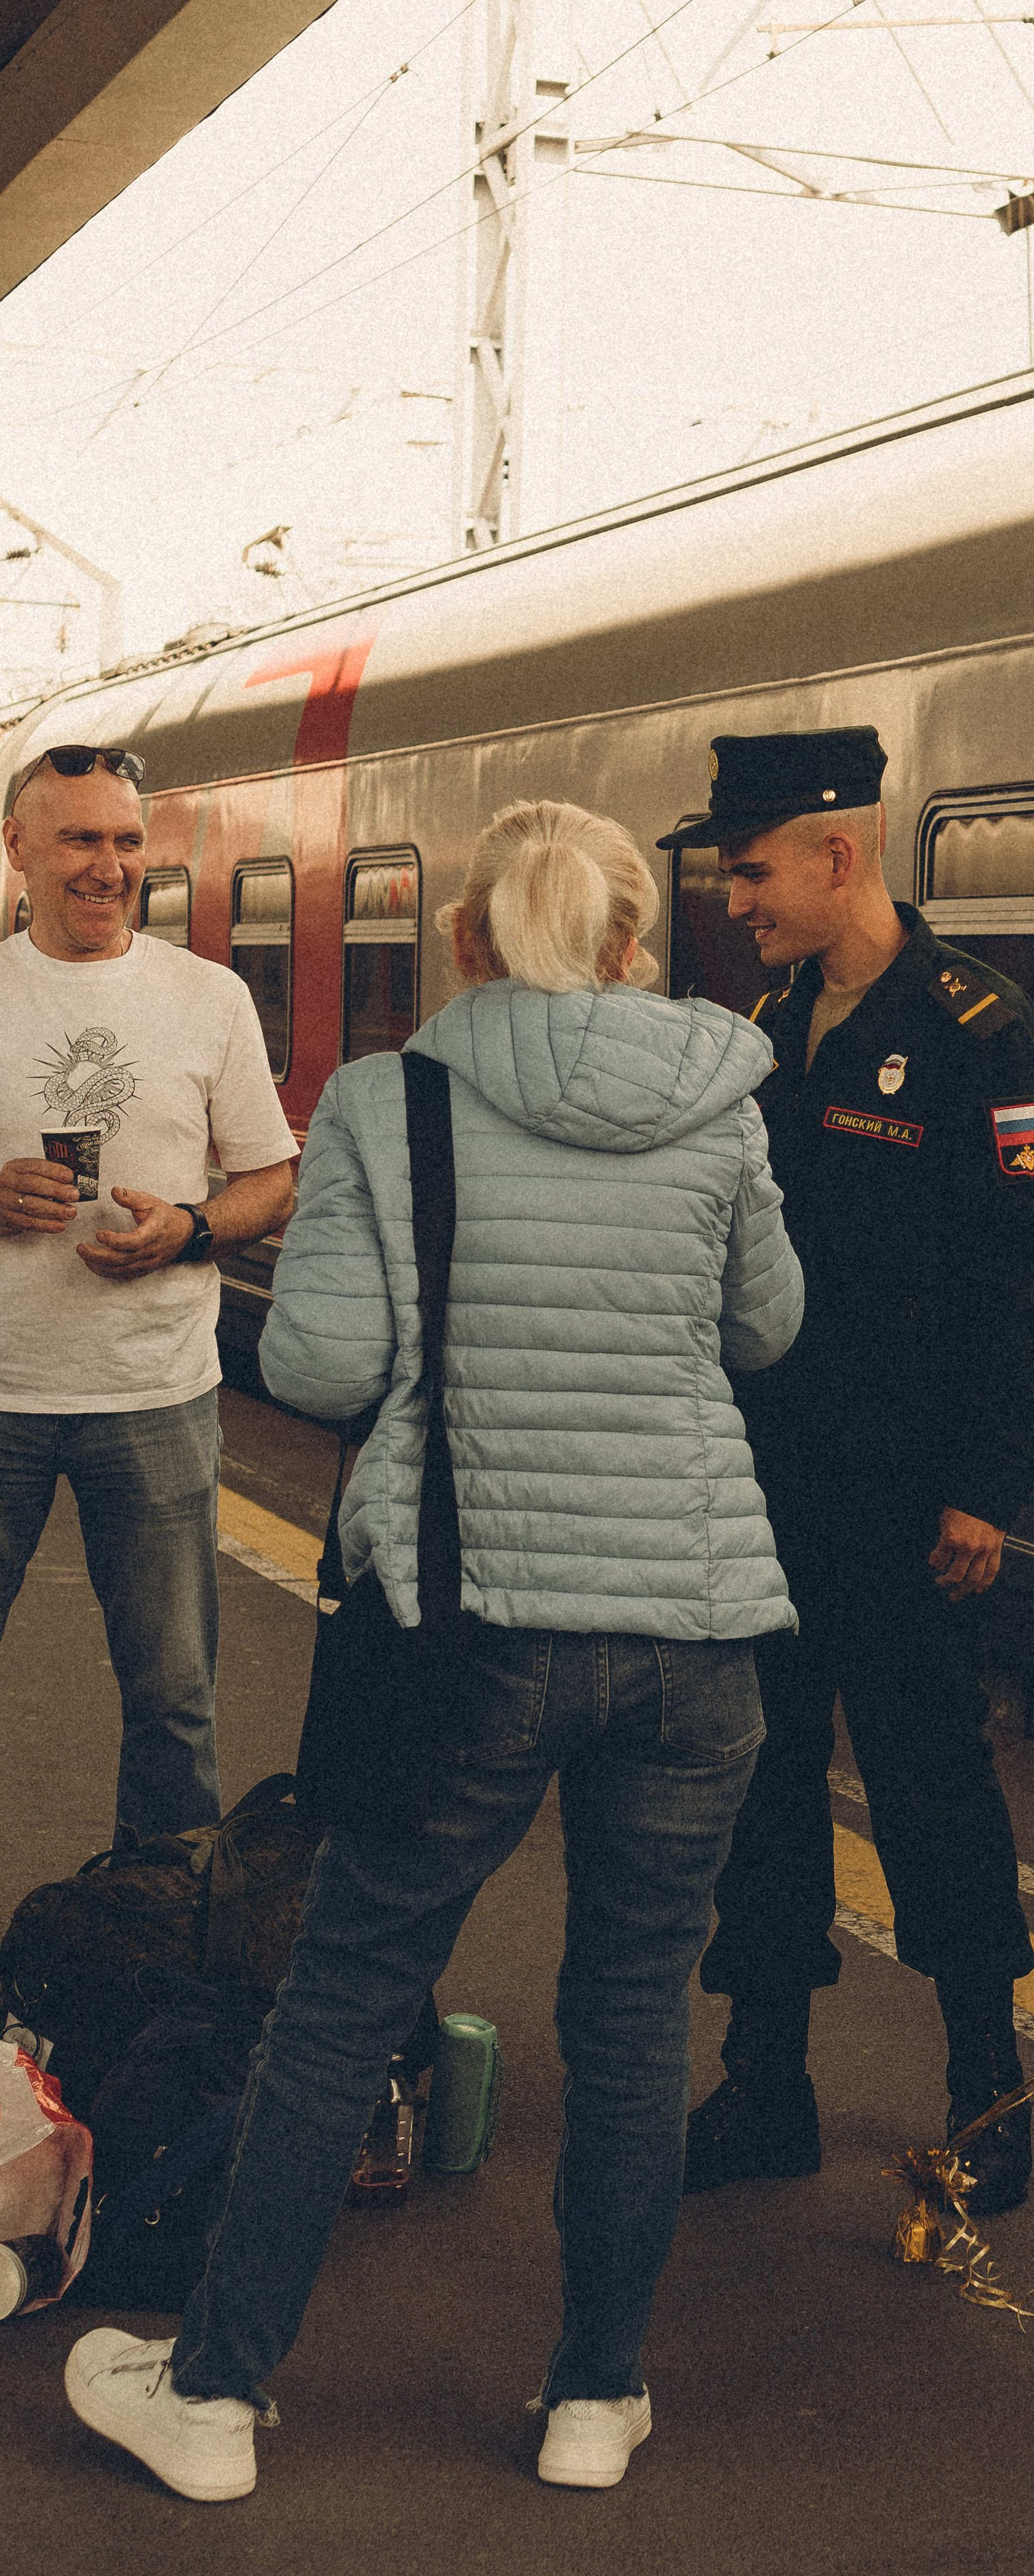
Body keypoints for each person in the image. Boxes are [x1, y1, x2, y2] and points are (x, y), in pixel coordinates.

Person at [63, 797, 803, 2504]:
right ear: (633, 939)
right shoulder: (722, 1099)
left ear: (466, 938)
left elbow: (318, 1366)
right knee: (627, 2021)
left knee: (341, 2003)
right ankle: (594, 2402)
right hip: (693, 1632)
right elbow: (764, 1325)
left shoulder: (394, 1105)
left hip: (467, 1629)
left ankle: (220, 2397)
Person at [661, 729, 1034, 2215]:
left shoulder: (976, 1030)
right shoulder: (768, 1020)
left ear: (840, 855)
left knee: (930, 1795)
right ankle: (767, 2076)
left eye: (753, 870)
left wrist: (989, 1487)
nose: (735, 901)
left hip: (906, 1506)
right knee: (762, 1791)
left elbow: (1026, 1287)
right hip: (766, 1493)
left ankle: (986, 2089)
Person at [0, 745, 298, 1842]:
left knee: (174, 1703)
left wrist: (193, 1231)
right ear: (17, 848)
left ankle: (161, 1944)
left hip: (157, 1397)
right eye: (80, 837)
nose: (108, 865)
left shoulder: (207, 997)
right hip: (2, 1396)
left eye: (127, 841)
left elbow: (273, 1178)